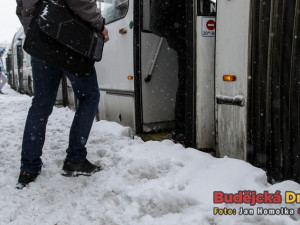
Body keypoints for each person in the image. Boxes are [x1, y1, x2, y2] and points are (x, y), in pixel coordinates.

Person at [16, 0, 109, 187]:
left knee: (41, 104)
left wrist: (36, 30)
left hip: (41, 40)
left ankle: (29, 168)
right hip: (70, 40)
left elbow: (23, 9)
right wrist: (100, 24)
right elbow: (79, 1)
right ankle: (75, 159)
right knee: (89, 97)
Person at [150, 0, 186, 144]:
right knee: (186, 84)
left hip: (181, 34)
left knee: (185, 83)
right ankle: (181, 129)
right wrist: (178, 29)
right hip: (183, 35)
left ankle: (181, 129)